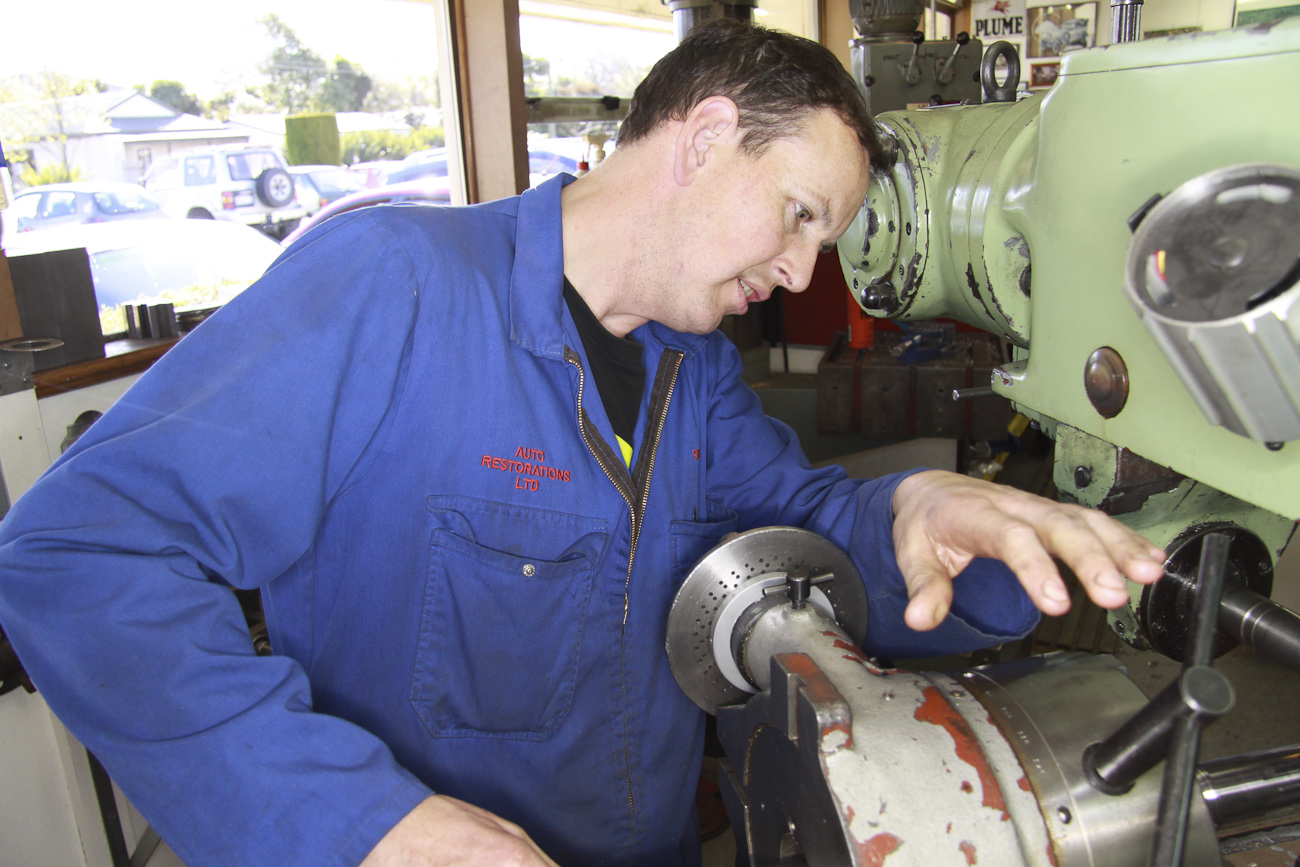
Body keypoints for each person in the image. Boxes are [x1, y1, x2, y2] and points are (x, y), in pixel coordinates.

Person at [0, 19, 1164, 867]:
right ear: (706, 138)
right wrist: (357, 827)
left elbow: (794, 537)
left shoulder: (687, 366)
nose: (802, 275)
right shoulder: (390, 288)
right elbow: (81, 555)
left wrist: (912, 511)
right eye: (800, 215)